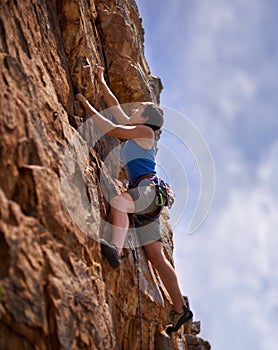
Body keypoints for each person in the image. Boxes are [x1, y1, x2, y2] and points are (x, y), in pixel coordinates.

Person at [75, 65, 193, 333]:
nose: (133, 111)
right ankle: (180, 309)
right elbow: (115, 108)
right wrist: (101, 80)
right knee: (155, 256)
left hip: (147, 190)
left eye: (138, 110)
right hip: (150, 198)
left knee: (119, 204)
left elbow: (113, 127)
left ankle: (114, 250)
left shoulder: (145, 133)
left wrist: (86, 107)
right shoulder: (138, 130)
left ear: (146, 118)